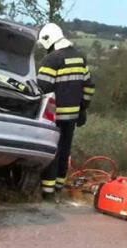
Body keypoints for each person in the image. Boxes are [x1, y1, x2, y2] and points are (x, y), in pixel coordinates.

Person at [36, 23, 95, 201]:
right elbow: (89, 86)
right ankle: (59, 187)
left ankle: (47, 191)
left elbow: (42, 88)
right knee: (64, 150)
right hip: (72, 116)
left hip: (53, 116)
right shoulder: (80, 58)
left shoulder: (51, 60)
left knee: (52, 151)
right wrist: (83, 108)